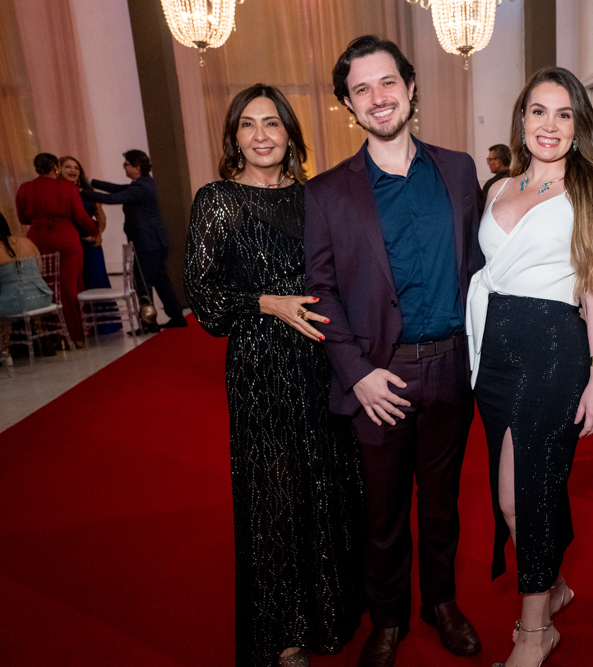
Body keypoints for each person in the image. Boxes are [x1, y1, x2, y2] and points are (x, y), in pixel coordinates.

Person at [305, 35, 484, 667]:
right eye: (361, 90)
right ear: (348, 107)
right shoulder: (327, 193)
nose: (377, 98)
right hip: (381, 377)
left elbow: (483, 263)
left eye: (387, 83)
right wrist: (357, 376)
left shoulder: (460, 170)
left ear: (410, 88)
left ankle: (440, 602)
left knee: (442, 501)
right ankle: (387, 619)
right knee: (382, 513)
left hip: (453, 369)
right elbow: (320, 291)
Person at [184, 84, 365, 667]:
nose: (261, 135)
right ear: (234, 136)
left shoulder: (317, 198)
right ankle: (282, 632)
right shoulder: (218, 200)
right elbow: (205, 298)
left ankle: (330, 613)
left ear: (291, 133)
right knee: (273, 493)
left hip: (323, 361)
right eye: (247, 124)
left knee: (330, 483)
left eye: (272, 123)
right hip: (261, 367)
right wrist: (268, 302)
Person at [465, 66, 593, 667]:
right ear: (521, 120)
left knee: (523, 493)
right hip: (493, 351)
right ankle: (552, 587)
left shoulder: (592, 192)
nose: (548, 125)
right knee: (512, 499)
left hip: (553, 350)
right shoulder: (497, 187)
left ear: (578, 126)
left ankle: (535, 633)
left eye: (563, 114)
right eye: (537, 112)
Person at [82, 149, 187, 330]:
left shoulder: (140, 187)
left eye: (126, 165)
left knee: (142, 282)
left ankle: (149, 323)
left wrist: (81, 192)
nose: (124, 168)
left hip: (146, 242)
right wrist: (91, 182)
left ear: (136, 167)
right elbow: (117, 188)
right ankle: (177, 316)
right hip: (156, 240)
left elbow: (112, 198)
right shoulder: (145, 183)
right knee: (160, 279)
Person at [15, 152, 98, 344]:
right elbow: (80, 215)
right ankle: (75, 336)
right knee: (69, 288)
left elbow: (23, 218)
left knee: (46, 286)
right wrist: (95, 231)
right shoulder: (67, 187)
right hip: (65, 238)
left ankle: (53, 338)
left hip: (37, 240)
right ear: (56, 168)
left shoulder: (24, 188)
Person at [59, 156, 121, 334]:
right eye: (68, 167)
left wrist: (97, 233)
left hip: (91, 243)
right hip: (70, 242)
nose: (72, 170)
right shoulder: (60, 191)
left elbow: (99, 214)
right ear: (59, 170)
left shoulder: (86, 190)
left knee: (97, 278)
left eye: (76, 168)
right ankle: (83, 325)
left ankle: (106, 324)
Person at [0, 210, 53, 357]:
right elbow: (40, 271)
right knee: (23, 297)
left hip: (16, 303)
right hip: (42, 298)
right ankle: (43, 341)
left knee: (4, 310)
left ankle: (5, 352)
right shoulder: (26, 241)